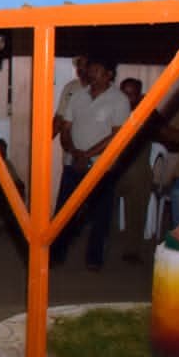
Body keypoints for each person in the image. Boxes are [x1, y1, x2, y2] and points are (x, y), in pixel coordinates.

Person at [52, 54, 131, 271]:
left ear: (109, 75)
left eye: (96, 71)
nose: (91, 74)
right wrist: (74, 152)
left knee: (100, 215)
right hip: (74, 162)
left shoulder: (119, 100)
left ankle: (94, 258)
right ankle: (57, 253)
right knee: (64, 211)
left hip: (101, 167)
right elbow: (66, 128)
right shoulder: (78, 96)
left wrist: (88, 155)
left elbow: (116, 136)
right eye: (90, 70)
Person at [114, 78, 155, 263]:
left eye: (130, 94)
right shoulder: (114, 109)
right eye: (123, 93)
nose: (126, 98)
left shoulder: (146, 114)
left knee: (138, 199)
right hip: (113, 170)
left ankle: (132, 249)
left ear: (140, 96)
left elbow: (165, 134)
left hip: (137, 171)